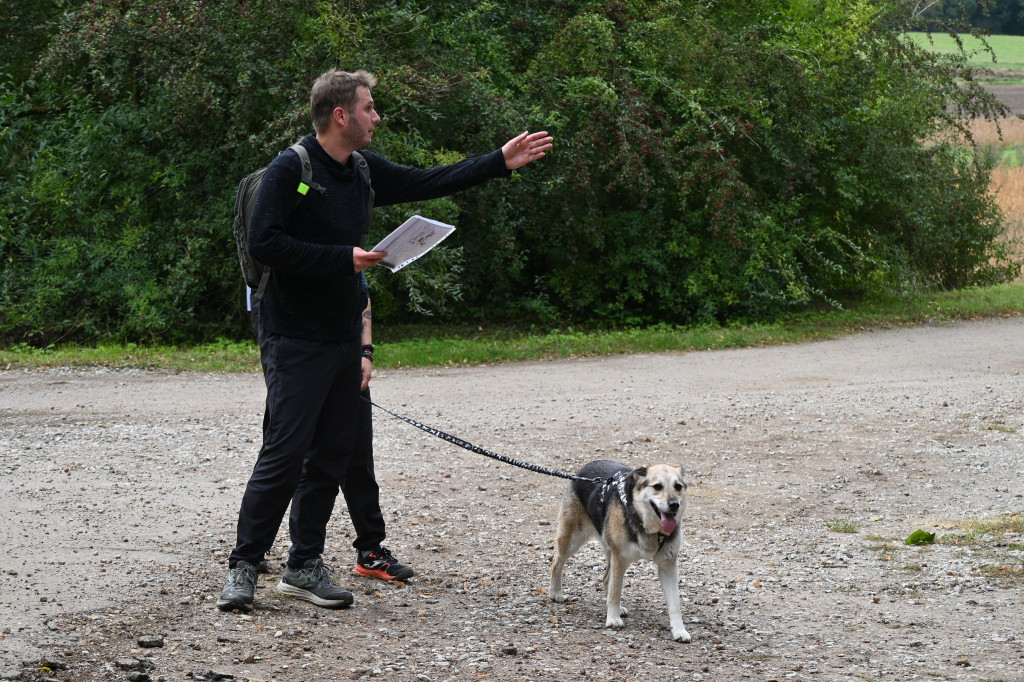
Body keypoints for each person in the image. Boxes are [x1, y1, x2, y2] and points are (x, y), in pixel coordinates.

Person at [217, 68, 552, 612]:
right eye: (369, 108)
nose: (377, 116)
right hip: (293, 335)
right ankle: (244, 567)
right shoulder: (291, 169)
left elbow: (427, 181)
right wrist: (341, 259)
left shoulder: (362, 170)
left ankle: (303, 566)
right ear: (341, 115)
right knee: (284, 454)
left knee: (330, 456)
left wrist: (498, 161)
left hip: (343, 336)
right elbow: (265, 242)